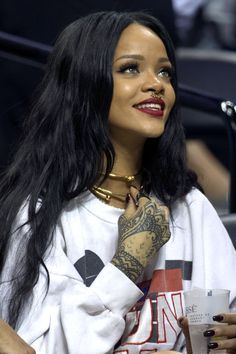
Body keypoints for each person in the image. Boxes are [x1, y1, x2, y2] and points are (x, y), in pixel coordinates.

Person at [0, 11, 235, 354]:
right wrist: (127, 263)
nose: (156, 83)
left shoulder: (191, 207)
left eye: (164, 71)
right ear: (86, 81)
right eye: (130, 68)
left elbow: (214, 331)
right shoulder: (40, 215)